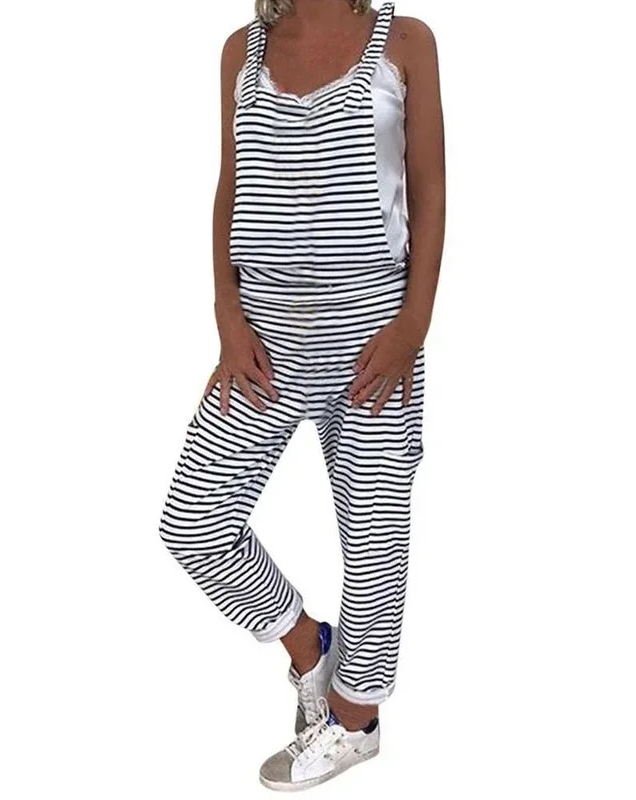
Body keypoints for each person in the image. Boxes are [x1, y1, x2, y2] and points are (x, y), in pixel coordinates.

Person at [159, 0, 445, 790]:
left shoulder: (405, 42)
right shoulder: (242, 50)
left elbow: (429, 188)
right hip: (265, 341)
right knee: (193, 521)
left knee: (375, 535)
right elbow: (231, 188)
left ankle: (356, 721)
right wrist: (227, 316)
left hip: (372, 337)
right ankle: (309, 646)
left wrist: (412, 326)